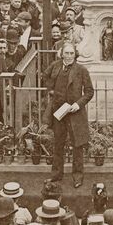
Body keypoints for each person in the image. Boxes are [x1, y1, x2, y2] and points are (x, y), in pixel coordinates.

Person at [43, 43, 94, 188]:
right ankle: (56, 176)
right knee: (58, 144)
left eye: (72, 53)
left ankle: (78, 177)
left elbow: (90, 92)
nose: (70, 56)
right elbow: (44, 76)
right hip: (59, 112)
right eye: (67, 53)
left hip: (74, 113)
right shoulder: (55, 66)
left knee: (77, 145)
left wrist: (78, 104)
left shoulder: (81, 70)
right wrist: (51, 89)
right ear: (62, 54)